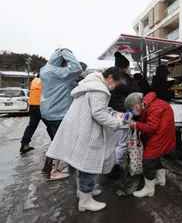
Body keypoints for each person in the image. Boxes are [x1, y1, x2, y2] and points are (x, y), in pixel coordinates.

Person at [46, 67, 127, 212]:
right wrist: (118, 123)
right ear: (109, 77)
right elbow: (99, 114)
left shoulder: (90, 84)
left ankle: (83, 192)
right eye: (116, 83)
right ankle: (85, 200)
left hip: (79, 128)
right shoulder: (99, 90)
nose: (115, 86)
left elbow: (96, 109)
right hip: (87, 131)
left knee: (81, 163)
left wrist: (111, 113)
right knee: (89, 165)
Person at [40, 48, 82, 181]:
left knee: (55, 140)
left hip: (47, 110)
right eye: (66, 62)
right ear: (62, 60)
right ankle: (52, 172)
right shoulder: (60, 73)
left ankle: (47, 169)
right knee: (59, 143)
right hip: (58, 111)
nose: (67, 65)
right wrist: (65, 52)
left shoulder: (45, 69)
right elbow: (77, 68)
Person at [124, 92, 176, 198]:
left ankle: (149, 189)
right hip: (163, 133)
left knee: (148, 159)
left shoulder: (153, 108)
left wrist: (136, 125)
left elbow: (152, 127)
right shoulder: (148, 104)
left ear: (138, 103)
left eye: (132, 108)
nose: (133, 112)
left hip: (160, 135)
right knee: (155, 157)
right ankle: (160, 180)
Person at [107, 51, 140, 178]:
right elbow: (136, 96)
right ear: (125, 67)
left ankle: (108, 162)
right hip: (124, 114)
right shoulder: (127, 80)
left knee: (111, 140)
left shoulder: (110, 79)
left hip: (110, 113)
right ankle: (116, 165)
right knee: (122, 142)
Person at [19, 73, 53, 154]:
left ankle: (24, 145)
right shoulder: (45, 82)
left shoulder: (34, 81)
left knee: (31, 126)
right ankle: (56, 144)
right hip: (42, 107)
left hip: (32, 106)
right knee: (51, 125)